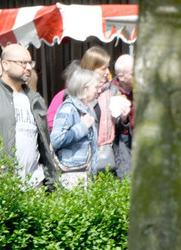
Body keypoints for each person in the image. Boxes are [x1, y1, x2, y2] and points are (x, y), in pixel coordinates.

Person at [0, 43, 58, 189]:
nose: (28, 67)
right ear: (5, 65)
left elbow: (44, 143)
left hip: (35, 184)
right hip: (1, 185)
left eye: (30, 63)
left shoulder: (35, 99)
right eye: (23, 63)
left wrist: (50, 181)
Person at [50, 66, 101, 188]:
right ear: (85, 88)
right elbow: (56, 139)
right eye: (96, 87)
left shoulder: (86, 109)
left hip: (83, 174)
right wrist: (82, 127)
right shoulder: (68, 108)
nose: (98, 91)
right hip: (71, 176)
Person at [80, 46, 117, 175]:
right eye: (103, 69)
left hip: (108, 157)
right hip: (84, 159)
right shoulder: (77, 94)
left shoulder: (111, 91)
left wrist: (123, 118)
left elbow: (119, 127)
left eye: (108, 67)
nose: (107, 72)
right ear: (91, 69)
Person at [111, 54, 134, 177]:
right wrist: (124, 120)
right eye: (133, 74)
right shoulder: (112, 92)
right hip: (122, 147)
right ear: (121, 76)